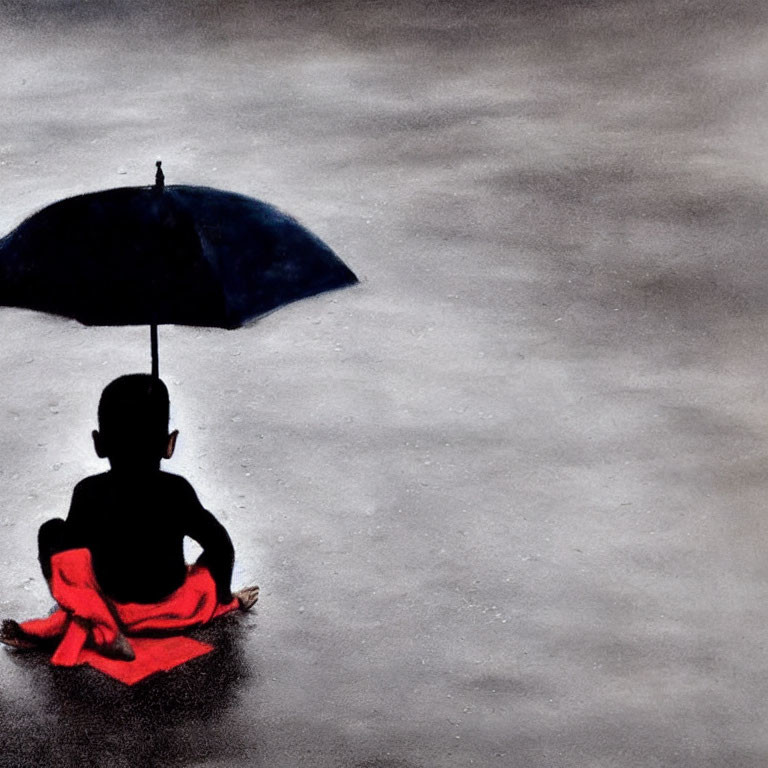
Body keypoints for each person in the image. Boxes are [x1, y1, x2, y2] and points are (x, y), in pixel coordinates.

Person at [1, 374, 258, 658]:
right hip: (171, 610)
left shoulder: (88, 492)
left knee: (51, 531)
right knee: (210, 561)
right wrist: (224, 597)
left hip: (110, 604)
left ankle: (91, 621)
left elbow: (71, 558)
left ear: (99, 444)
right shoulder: (177, 491)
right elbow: (221, 547)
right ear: (169, 444)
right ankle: (216, 600)